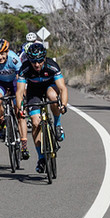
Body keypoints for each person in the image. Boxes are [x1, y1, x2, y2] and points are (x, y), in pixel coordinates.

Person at [15, 43, 69, 173]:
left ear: (44, 58)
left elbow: (62, 88)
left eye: (39, 61)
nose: (37, 64)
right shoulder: (25, 68)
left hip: (50, 87)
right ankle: (41, 158)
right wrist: (20, 108)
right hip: (34, 92)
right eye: (33, 61)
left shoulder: (52, 66)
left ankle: (57, 124)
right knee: (35, 122)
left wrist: (64, 105)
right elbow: (19, 92)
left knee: (52, 96)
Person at [0, 38, 24, 142]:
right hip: (0, 83)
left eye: (2, 54)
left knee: (18, 109)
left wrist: (22, 95)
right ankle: (2, 122)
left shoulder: (14, 58)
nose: (0, 57)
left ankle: (20, 138)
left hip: (14, 82)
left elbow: (21, 79)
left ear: (7, 52)